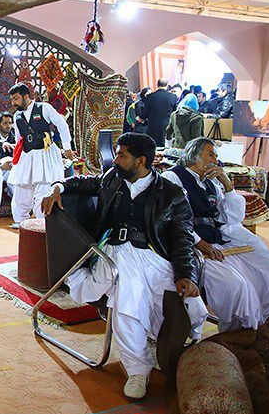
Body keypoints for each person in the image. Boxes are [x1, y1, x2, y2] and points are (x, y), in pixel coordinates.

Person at [41, 133, 207, 400]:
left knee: (187, 302)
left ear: (141, 161)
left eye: (122, 155)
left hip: (154, 258)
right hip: (114, 253)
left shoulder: (173, 194)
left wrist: (186, 275)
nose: (115, 160)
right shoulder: (112, 179)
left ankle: (160, 345)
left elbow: (182, 240)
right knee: (128, 295)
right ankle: (138, 369)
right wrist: (57, 188)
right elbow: (82, 182)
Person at [162, 138, 269, 328]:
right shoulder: (173, 177)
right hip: (192, 244)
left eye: (216, 155)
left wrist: (227, 183)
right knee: (238, 285)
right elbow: (172, 219)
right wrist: (199, 242)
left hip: (219, 240)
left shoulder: (211, 183)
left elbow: (234, 216)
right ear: (193, 155)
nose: (216, 159)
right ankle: (241, 331)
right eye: (210, 154)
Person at [7, 83, 74, 228]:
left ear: (26, 96)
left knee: (42, 192)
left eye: (16, 98)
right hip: (27, 156)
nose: (13, 103)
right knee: (21, 194)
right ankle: (21, 223)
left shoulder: (44, 108)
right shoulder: (17, 116)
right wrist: (16, 159)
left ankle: (42, 226)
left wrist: (67, 147)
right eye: (12, 99)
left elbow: (62, 125)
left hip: (45, 156)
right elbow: (18, 139)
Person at [138, 79, 177, 146]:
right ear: (167, 85)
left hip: (153, 127)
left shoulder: (150, 96)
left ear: (157, 85)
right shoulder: (173, 97)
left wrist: (140, 118)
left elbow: (145, 113)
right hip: (167, 126)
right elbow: (174, 112)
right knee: (166, 146)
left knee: (153, 146)